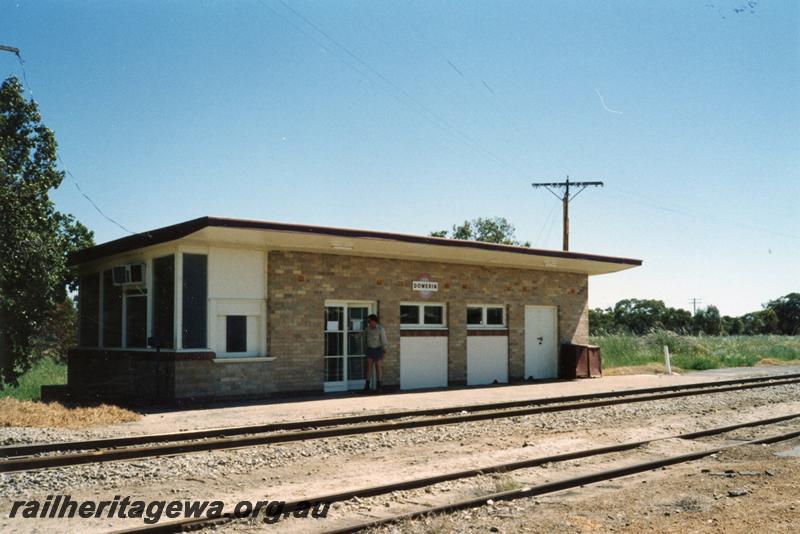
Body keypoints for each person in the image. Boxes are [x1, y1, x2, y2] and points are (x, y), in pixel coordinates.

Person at [364, 313, 387, 392]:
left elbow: (384, 340)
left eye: (369, 321)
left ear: (374, 321)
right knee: (369, 367)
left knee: (378, 367)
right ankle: (367, 386)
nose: (368, 323)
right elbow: (365, 339)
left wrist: (384, 350)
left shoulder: (380, 329)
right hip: (370, 349)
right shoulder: (367, 329)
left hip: (378, 349)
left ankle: (379, 386)